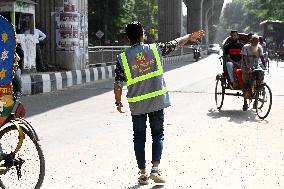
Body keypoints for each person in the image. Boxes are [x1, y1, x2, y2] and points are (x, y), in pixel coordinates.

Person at [114, 21, 204, 185]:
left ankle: (142, 174)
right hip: (156, 101)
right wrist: (189, 37)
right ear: (143, 34)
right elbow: (175, 43)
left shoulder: (122, 58)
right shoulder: (155, 49)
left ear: (127, 38)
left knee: (139, 138)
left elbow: (118, 84)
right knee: (158, 135)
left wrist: (118, 102)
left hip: (137, 105)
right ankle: (155, 170)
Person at [241, 35, 266, 111]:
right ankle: (245, 102)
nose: (256, 43)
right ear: (251, 41)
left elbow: (262, 58)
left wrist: (265, 67)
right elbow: (244, 59)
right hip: (246, 67)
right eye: (254, 41)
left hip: (256, 67)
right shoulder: (245, 47)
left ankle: (257, 98)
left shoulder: (259, 47)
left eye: (257, 41)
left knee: (260, 79)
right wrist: (248, 68)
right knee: (246, 84)